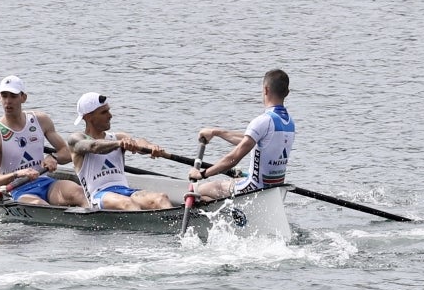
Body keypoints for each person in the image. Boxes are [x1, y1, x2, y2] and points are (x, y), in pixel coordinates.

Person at [189, 68, 296, 200]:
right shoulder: (290, 123)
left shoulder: (263, 121)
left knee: (199, 190)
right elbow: (252, 140)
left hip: (254, 188)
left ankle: (223, 215)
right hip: (274, 190)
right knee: (232, 181)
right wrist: (216, 132)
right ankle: (227, 212)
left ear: (265, 90)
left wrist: (202, 174)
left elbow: (233, 158)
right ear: (287, 93)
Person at [0, 75, 87, 207]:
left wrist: (53, 157)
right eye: (4, 96)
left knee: (79, 192)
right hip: (17, 190)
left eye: (13, 96)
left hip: (45, 182)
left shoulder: (40, 120)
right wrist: (17, 174)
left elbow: (67, 152)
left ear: (23, 98)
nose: (8, 101)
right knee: (41, 206)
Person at [67, 92, 172, 210]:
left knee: (161, 198)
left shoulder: (118, 137)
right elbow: (94, 146)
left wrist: (151, 147)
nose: (110, 116)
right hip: (99, 195)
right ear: (88, 117)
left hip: (125, 191)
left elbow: (139, 142)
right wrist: (119, 144)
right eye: (104, 112)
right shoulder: (75, 139)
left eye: (108, 110)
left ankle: (177, 227)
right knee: (128, 204)